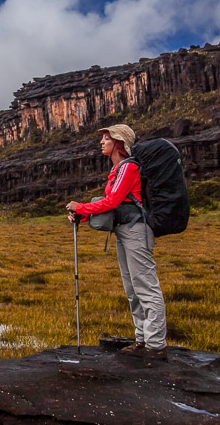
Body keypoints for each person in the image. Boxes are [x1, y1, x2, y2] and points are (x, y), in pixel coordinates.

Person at [65, 124, 168, 359]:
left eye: (106, 138)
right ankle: (142, 340)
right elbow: (115, 203)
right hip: (125, 231)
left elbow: (112, 201)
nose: (102, 142)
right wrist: (85, 214)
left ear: (119, 143)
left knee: (145, 286)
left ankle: (156, 345)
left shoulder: (128, 167)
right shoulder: (117, 171)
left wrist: (81, 207)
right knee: (132, 288)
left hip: (135, 231)